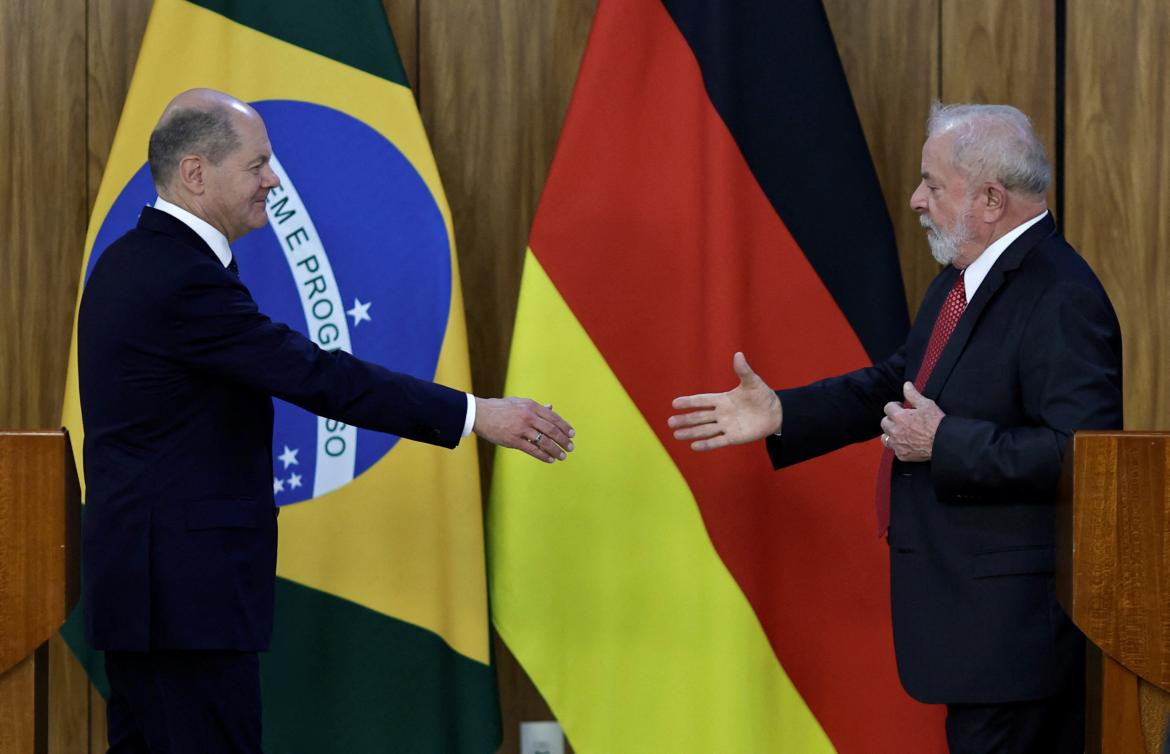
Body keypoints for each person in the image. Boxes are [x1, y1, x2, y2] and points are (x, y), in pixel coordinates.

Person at [77, 88, 575, 753]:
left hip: (155, 600)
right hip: (183, 606)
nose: (273, 180)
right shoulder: (178, 276)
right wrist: (474, 413)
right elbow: (315, 375)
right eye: (257, 165)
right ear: (196, 173)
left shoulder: (133, 260)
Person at [668, 103, 1122, 752]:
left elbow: (1082, 455)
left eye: (933, 185)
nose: (915, 199)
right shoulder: (958, 283)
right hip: (973, 631)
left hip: (1017, 641)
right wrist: (784, 413)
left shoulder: (1061, 295)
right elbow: (897, 384)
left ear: (991, 199)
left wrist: (946, 443)